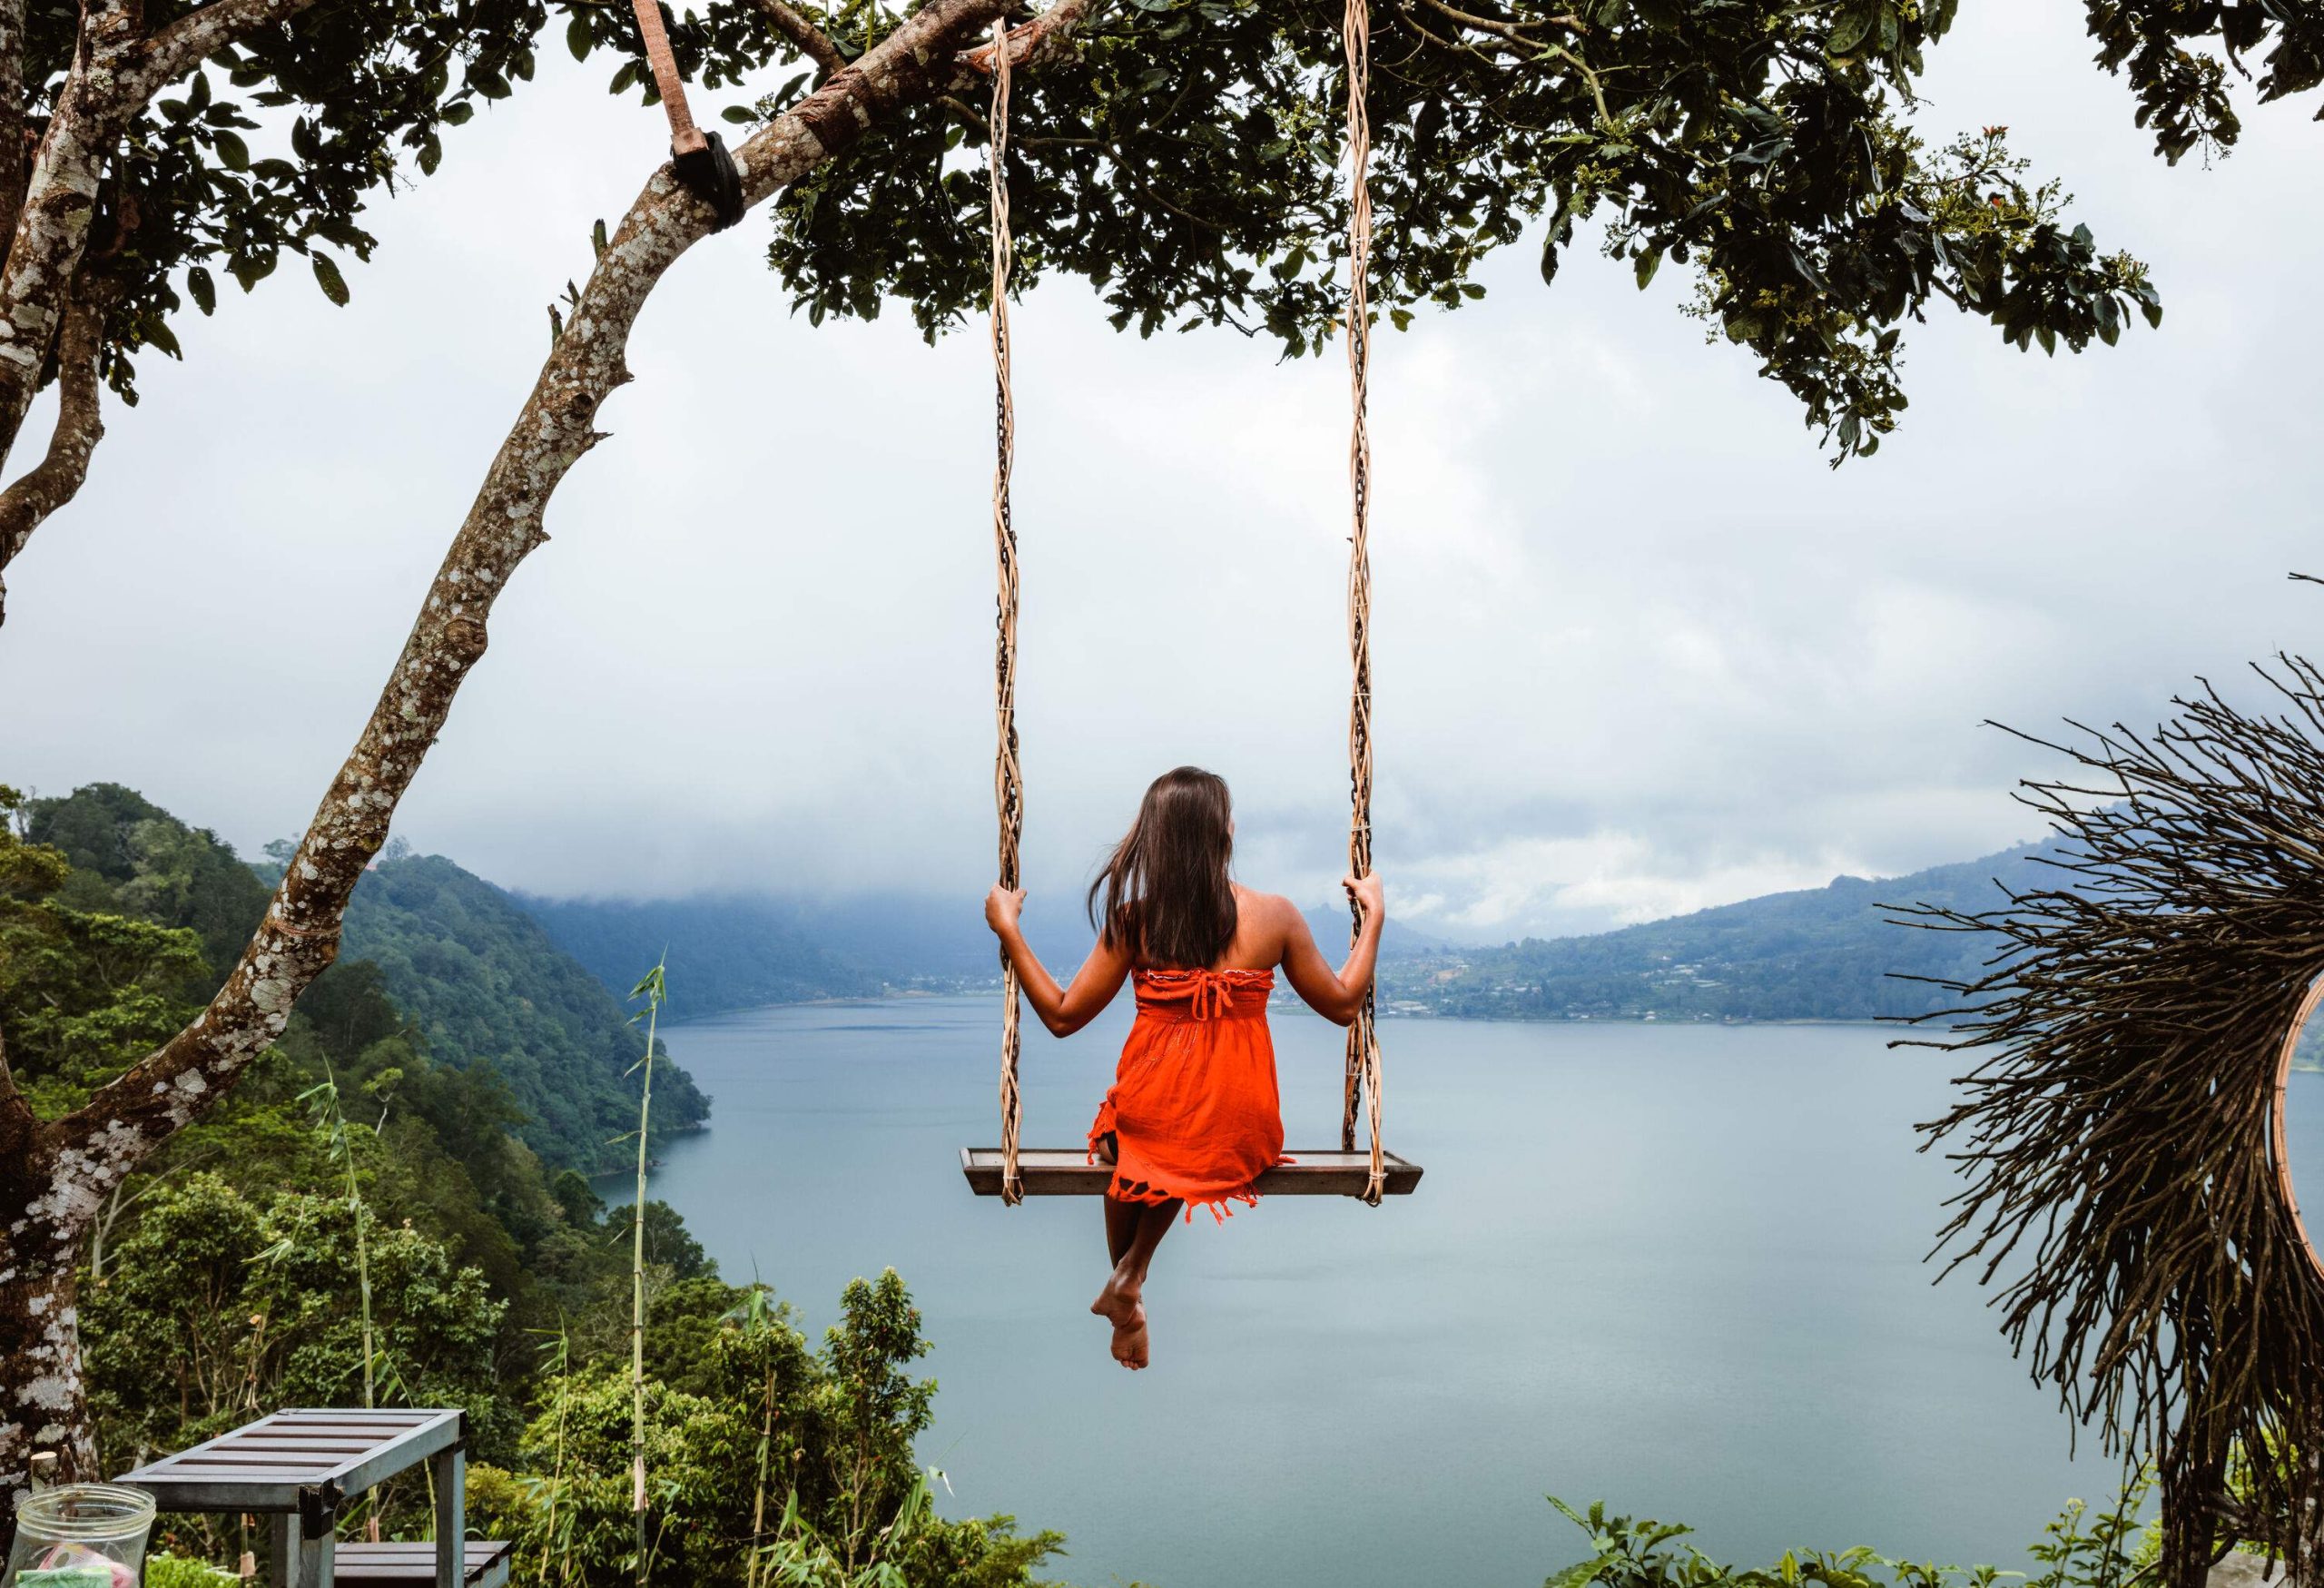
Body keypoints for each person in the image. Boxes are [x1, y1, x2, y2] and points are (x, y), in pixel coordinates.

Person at [983, 765, 1385, 1371]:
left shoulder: (1136, 919)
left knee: (1124, 1147)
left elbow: (1063, 1016)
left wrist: (1009, 928)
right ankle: (1128, 1285)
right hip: (1243, 1122)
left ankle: (1130, 1282)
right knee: (1172, 1145)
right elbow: (1343, 1004)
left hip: (1151, 1111)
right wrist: (1373, 917)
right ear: (1224, 831)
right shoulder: (1274, 916)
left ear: (1157, 837)